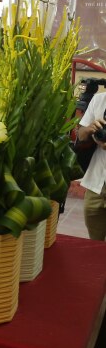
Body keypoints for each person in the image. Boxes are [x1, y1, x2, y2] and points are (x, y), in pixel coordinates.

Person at [78, 92, 106, 240]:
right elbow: (81, 134)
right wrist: (90, 128)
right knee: (95, 244)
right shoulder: (99, 99)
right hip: (96, 184)